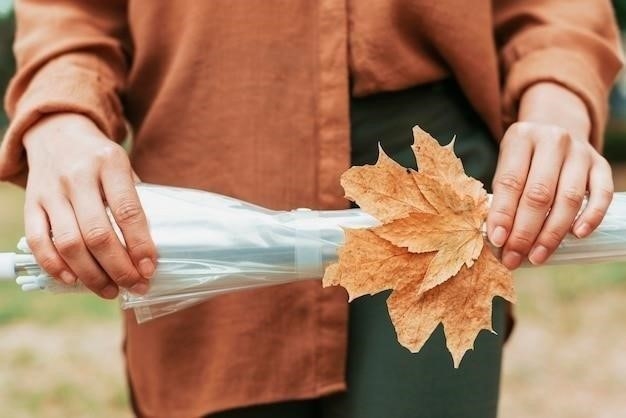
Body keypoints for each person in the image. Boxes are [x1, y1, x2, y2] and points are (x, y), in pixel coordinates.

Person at [0, 1, 622, 417]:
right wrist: (62, 115)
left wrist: (558, 102)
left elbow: (555, 10)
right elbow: (71, 13)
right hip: (203, 169)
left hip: (434, 180)